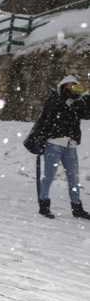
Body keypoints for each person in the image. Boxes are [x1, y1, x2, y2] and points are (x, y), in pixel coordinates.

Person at [30, 75, 90, 219]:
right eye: (69, 85)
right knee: (49, 176)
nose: (73, 87)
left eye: (75, 85)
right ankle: (44, 205)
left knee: (73, 179)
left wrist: (86, 97)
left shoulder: (77, 103)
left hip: (70, 145)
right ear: (63, 86)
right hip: (54, 144)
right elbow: (48, 116)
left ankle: (77, 208)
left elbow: (87, 114)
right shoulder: (55, 99)